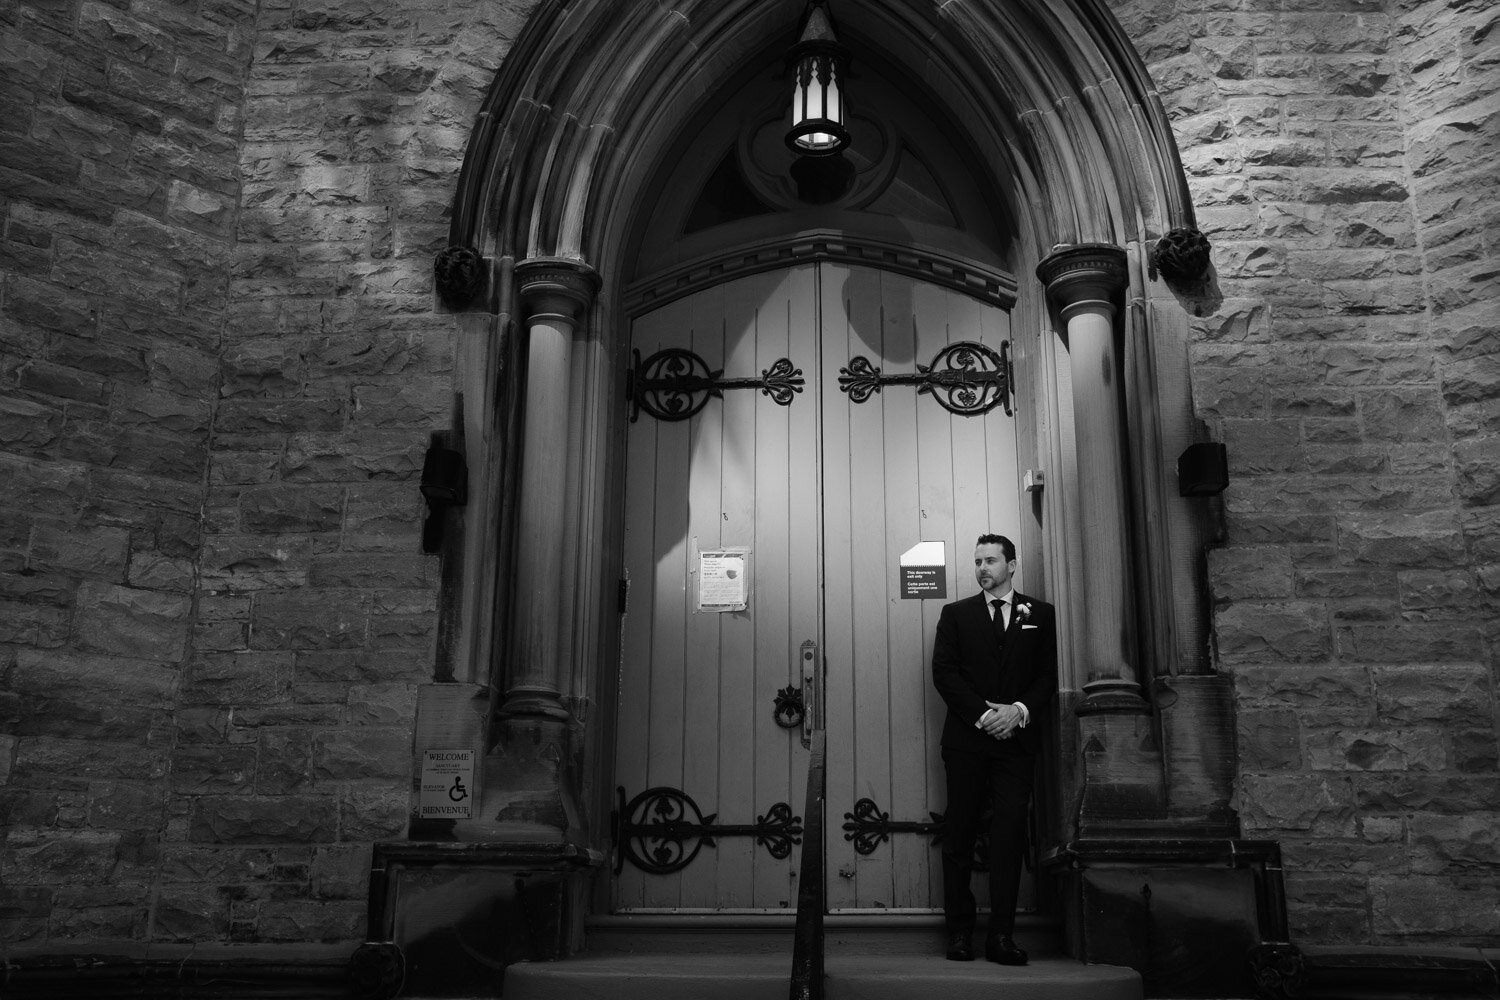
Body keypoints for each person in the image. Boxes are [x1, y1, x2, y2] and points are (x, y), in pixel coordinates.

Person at [931, 533, 1057, 965]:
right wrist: (986, 717)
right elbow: (944, 674)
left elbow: (1047, 676)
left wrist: (1018, 711)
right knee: (960, 834)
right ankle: (960, 934)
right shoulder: (956, 615)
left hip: (1016, 744)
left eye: (991, 560)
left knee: (1007, 836)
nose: (983, 568)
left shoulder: (1040, 614)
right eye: (978, 561)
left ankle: (1001, 936)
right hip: (967, 742)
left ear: (1012, 565)